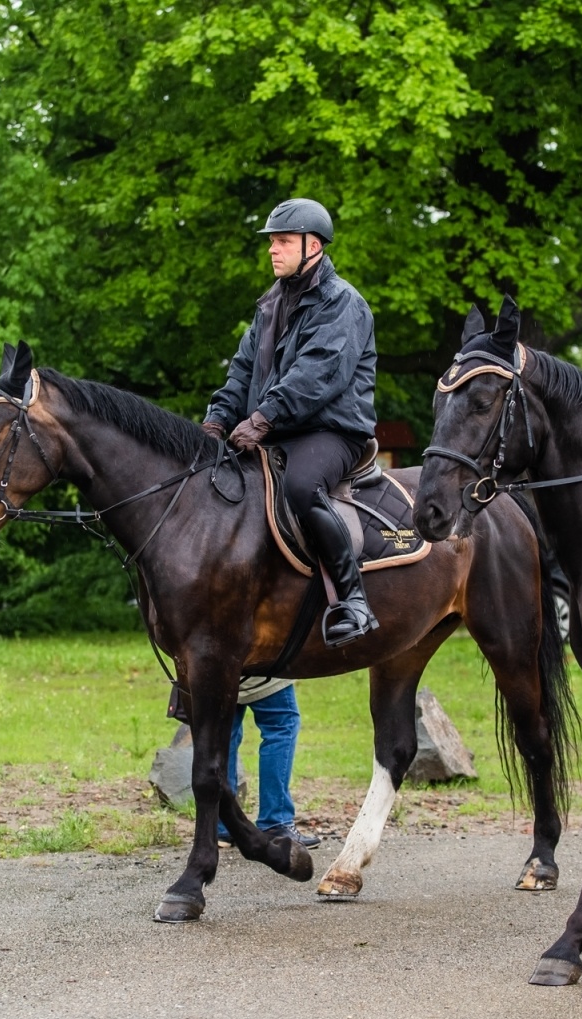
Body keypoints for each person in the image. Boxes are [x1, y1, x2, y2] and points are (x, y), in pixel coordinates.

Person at [202, 198, 380, 647]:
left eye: (282, 241)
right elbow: (241, 373)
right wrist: (214, 424)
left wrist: (262, 420)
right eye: (272, 242)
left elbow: (318, 374)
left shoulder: (344, 304)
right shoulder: (269, 306)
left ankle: (352, 600)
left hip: (332, 430)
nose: (272, 250)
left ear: (313, 245)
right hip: (277, 428)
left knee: (300, 487)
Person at [216, 678, 319, 849]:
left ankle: (222, 824)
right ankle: (276, 822)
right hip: (256, 671)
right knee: (281, 723)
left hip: (212, 670)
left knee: (223, 730)